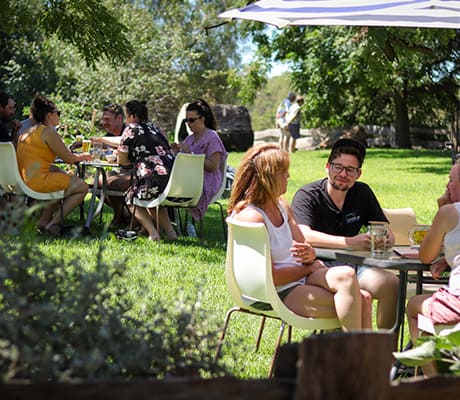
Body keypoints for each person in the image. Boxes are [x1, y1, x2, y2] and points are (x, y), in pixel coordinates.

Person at [228, 143, 371, 331]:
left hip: (298, 279)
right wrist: (309, 267)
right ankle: (355, 358)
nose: (288, 176)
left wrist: (310, 256)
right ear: (269, 176)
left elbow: (304, 248)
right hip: (275, 292)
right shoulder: (252, 217)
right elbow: (271, 277)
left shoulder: (281, 206)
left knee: (349, 278)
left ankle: (362, 357)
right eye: (284, 172)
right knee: (360, 302)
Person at [291, 138, 399, 330]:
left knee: (391, 284)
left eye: (350, 170)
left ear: (358, 174)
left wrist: (386, 239)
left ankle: (384, 348)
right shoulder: (308, 195)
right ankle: (347, 346)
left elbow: (383, 228)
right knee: (349, 284)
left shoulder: (362, 193)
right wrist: (350, 242)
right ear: (327, 166)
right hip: (316, 267)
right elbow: (303, 235)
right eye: (338, 167)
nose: (343, 174)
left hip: (354, 266)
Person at [406, 163, 460, 362]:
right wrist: (447, 261)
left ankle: (430, 379)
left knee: (413, 307)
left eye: (451, 180)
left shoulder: (451, 213)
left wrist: (442, 209)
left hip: (457, 305)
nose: (447, 186)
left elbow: (426, 256)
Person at [16, 95, 92, 236]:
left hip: (25, 180)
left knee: (58, 174)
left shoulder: (27, 132)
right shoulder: (48, 132)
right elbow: (69, 159)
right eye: (58, 113)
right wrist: (85, 156)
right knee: (82, 187)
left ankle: (44, 222)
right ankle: (54, 223)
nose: (59, 116)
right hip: (38, 182)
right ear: (49, 115)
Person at [116, 100, 176, 242]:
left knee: (130, 197)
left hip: (153, 178)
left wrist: (134, 160)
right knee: (155, 199)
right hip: (172, 179)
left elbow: (122, 161)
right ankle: (171, 233)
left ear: (132, 115)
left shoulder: (131, 129)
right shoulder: (155, 128)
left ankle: (153, 233)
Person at [171, 98, 227, 237]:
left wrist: (191, 155)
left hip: (208, 179)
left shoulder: (212, 137)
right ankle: (173, 225)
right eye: (186, 121)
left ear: (202, 119)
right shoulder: (190, 139)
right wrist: (177, 153)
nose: (189, 124)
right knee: (166, 183)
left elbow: (213, 167)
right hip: (191, 177)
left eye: (192, 120)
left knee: (174, 186)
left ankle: (181, 225)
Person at [91, 103, 131, 228]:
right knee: (95, 184)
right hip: (119, 171)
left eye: (107, 119)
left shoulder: (129, 132)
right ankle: (123, 214)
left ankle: (119, 217)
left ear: (119, 118)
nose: (104, 122)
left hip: (133, 172)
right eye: (103, 119)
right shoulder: (109, 136)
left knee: (110, 184)